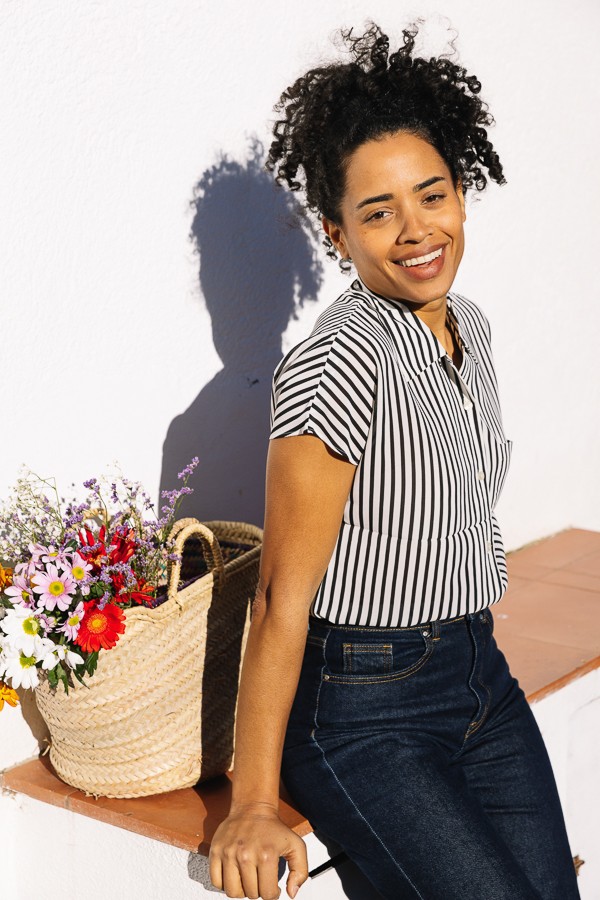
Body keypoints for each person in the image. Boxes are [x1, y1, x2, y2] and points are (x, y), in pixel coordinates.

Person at [208, 23, 580, 900]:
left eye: (433, 195)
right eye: (378, 213)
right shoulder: (337, 364)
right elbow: (279, 597)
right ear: (338, 233)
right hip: (365, 713)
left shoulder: (468, 327)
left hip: (478, 675)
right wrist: (253, 798)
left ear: (462, 192)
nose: (417, 232)